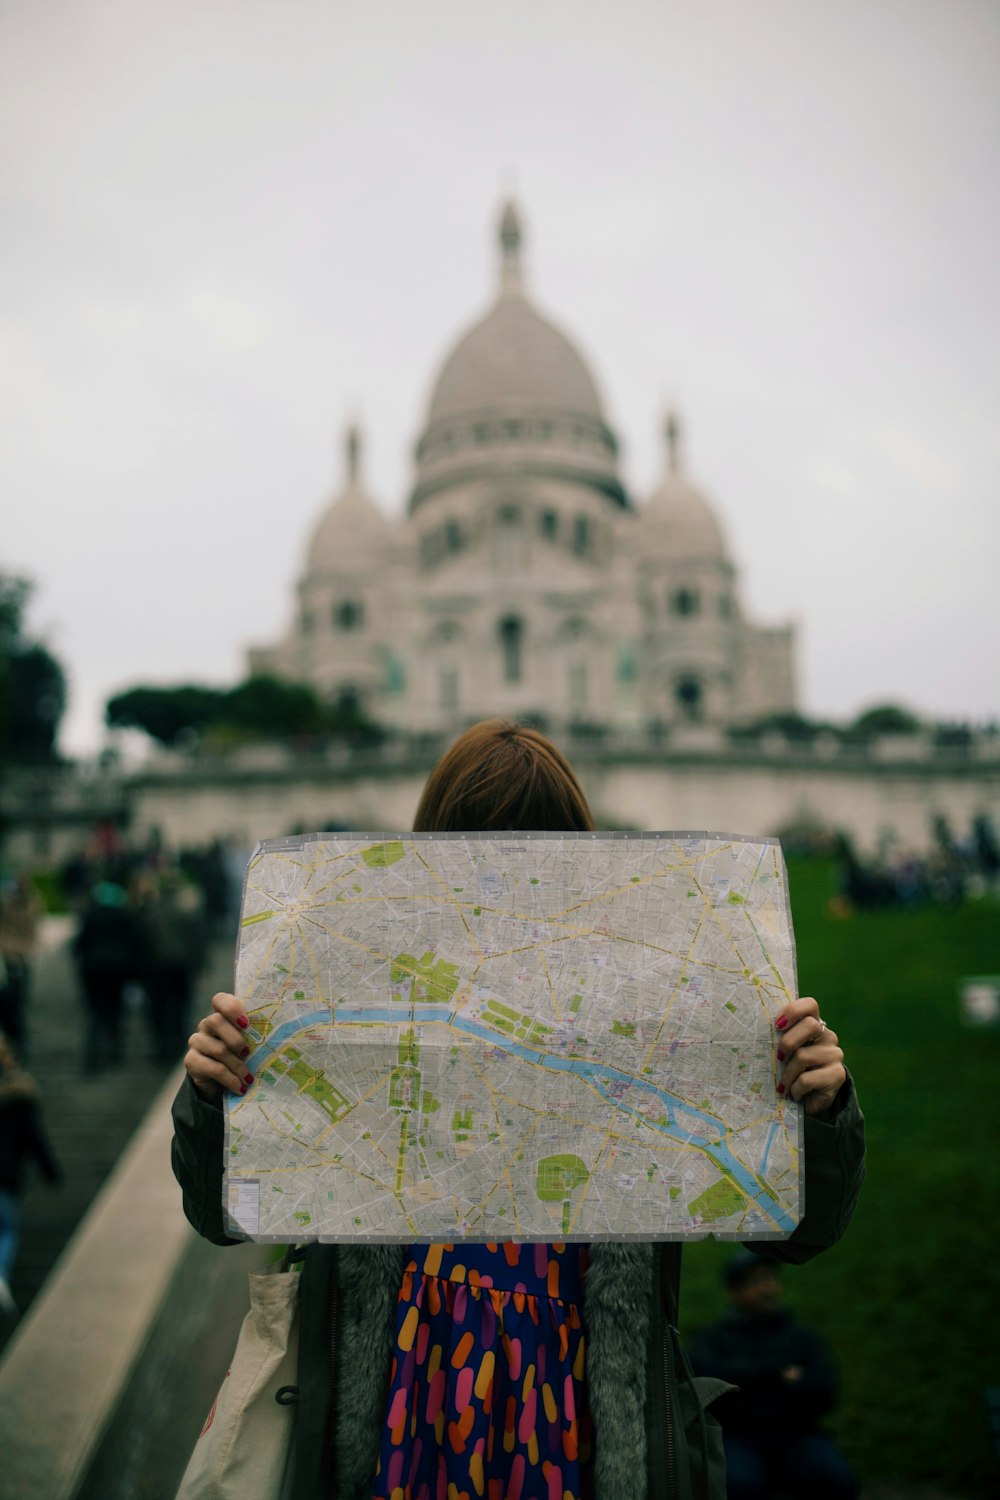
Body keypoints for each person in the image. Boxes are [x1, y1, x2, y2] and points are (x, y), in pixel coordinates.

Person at [172, 719, 866, 1500]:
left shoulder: (648, 1007)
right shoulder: (351, 992)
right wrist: (210, 1094)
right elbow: (222, 1212)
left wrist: (819, 1104)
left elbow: (801, 1231)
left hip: (575, 1403)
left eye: (536, 853)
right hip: (404, 1389)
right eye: (476, 852)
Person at [689, 1252, 857, 1500]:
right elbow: (711, 1392)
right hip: (737, 1438)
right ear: (733, 1292)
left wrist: (748, 1387)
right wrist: (778, 1374)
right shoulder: (712, 1340)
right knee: (735, 1485)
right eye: (755, 1282)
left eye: (770, 1279)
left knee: (836, 1479)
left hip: (798, 1435)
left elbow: (823, 1391)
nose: (767, 1288)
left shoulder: (802, 1338)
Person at [0, 1028, 62, 1319]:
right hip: (5, 1176)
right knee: (6, 1230)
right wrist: (50, 1172)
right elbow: (33, 1139)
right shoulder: (18, 1095)